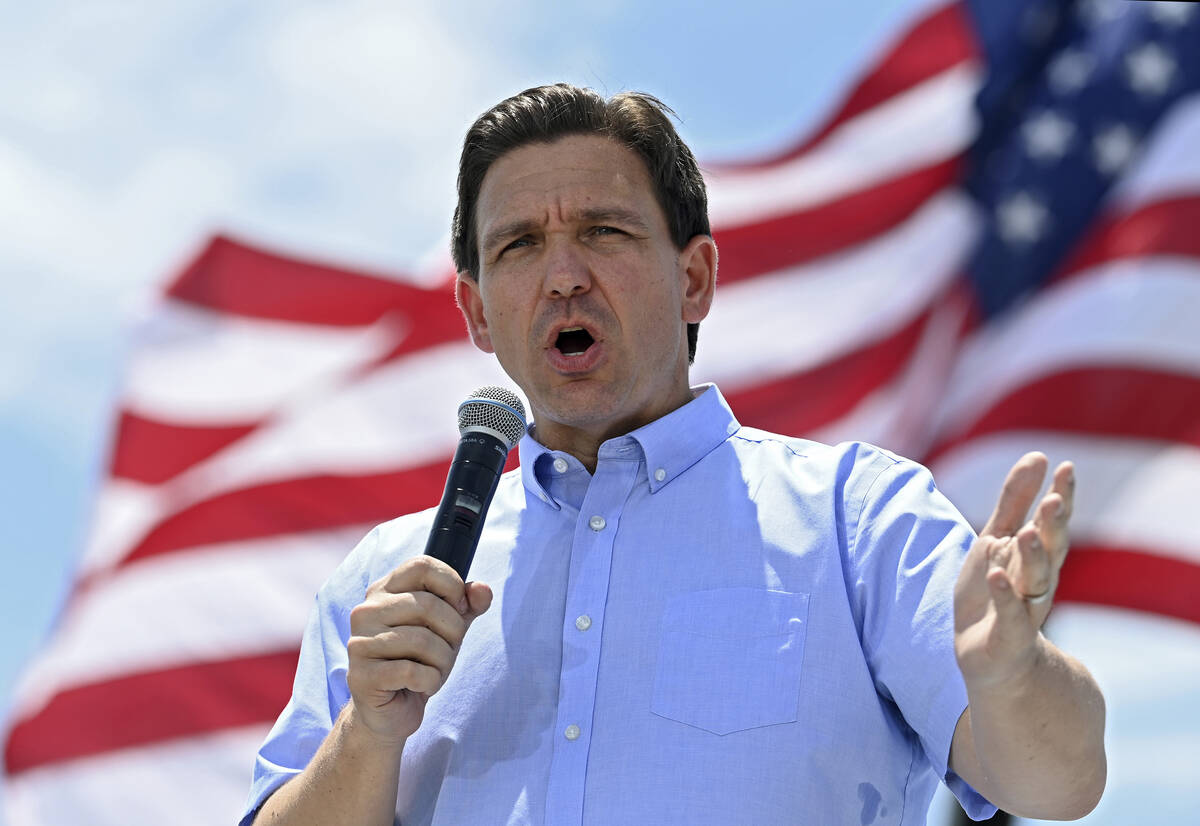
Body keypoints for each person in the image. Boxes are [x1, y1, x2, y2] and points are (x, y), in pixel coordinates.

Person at [241, 84, 1106, 825]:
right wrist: (369, 730)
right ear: (475, 312)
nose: (564, 274)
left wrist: (1012, 677)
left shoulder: (857, 518)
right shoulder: (387, 579)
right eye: (519, 245)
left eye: (605, 232)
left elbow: (1059, 780)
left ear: (694, 279)